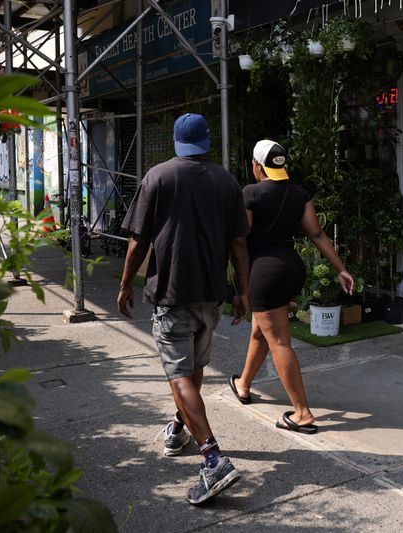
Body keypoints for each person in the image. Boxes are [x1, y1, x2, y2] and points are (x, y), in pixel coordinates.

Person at [117, 113, 250, 505]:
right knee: (192, 371)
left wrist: (126, 283)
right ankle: (179, 426)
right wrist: (243, 292)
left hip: (173, 295)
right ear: (208, 141)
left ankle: (212, 459)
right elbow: (240, 244)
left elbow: (138, 240)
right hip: (211, 296)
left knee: (179, 376)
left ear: (176, 142)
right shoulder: (227, 182)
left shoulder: (158, 177)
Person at [228, 139, 354, 434]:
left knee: (279, 342)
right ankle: (243, 384)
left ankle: (302, 413)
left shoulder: (250, 193)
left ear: (257, 166)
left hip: (265, 274)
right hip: (292, 269)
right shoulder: (299, 194)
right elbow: (318, 234)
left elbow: (240, 243)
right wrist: (341, 269)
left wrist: (238, 285)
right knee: (262, 329)